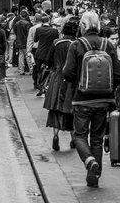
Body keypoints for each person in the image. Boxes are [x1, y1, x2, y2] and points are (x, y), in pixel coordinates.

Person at [63, 11, 120, 188]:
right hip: (104, 100)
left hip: (82, 99)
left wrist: (75, 81)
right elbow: (118, 74)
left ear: (83, 26)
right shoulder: (108, 45)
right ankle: (94, 176)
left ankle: (89, 161)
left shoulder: (77, 45)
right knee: (97, 137)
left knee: (80, 135)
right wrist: (109, 88)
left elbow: (67, 72)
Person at [43, 20, 78, 151]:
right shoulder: (76, 44)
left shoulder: (56, 43)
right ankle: (73, 138)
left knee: (55, 109)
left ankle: (55, 136)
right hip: (71, 80)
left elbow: (48, 60)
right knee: (71, 109)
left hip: (57, 78)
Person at [34, 15, 59, 96]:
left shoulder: (38, 30)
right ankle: (48, 86)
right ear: (49, 21)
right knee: (51, 70)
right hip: (50, 53)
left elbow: (35, 40)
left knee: (39, 71)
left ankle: (40, 87)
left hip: (40, 52)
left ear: (41, 22)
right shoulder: (54, 31)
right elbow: (56, 40)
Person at [26, 12, 42, 89]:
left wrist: (28, 51)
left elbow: (30, 41)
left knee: (35, 65)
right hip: (43, 48)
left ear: (35, 19)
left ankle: (36, 81)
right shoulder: (44, 28)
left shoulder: (32, 29)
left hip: (35, 49)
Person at [13, 9, 31, 75]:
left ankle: (21, 70)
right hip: (26, 42)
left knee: (21, 56)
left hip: (19, 42)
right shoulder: (27, 23)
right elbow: (28, 33)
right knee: (28, 56)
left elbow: (15, 31)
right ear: (26, 16)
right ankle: (31, 69)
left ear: (20, 16)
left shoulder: (17, 23)